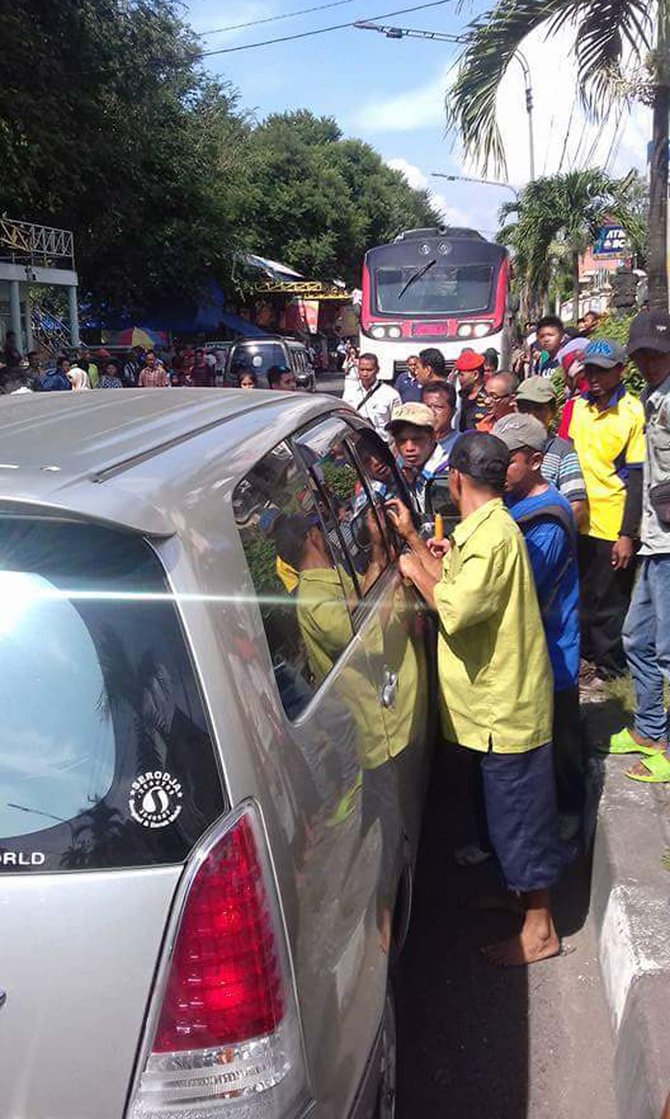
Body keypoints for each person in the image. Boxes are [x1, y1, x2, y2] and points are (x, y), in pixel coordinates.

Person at [387, 432, 564, 966]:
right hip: (490, 708)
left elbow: (456, 608)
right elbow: (457, 586)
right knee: (504, 815)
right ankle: (519, 899)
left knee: (521, 817)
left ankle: (541, 929)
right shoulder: (483, 529)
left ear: (456, 479)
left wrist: (414, 569)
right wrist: (419, 543)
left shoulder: (492, 537)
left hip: (505, 707)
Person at [493, 413, 584, 837]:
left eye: (506, 461)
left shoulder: (547, 519)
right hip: (531, 651)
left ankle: (570, 812)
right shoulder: (514, 502)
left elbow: (520, 585)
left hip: (553, 654)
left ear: (534, 460)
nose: (498, 470)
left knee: (560, 743)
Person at [606, 311, 670, 783]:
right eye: (642, 354)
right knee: (636, 638)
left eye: (657, 353)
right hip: (653, 539)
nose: (649, 362)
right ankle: (650, 728)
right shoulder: (651, 399)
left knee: (668, 650)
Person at [568, 338, 645, 680]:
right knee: (581, 599)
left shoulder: (632, 413)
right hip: (578, 519)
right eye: (589, 369)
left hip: (612, 523)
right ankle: (586, 663)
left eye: (601, 369)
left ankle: (612, 673)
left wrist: (627, 534)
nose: (594, 376)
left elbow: (638, 477)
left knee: (610, 605)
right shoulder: (578, 408)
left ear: (620, 370)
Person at [515, 376, 588, 527]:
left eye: (538, 408)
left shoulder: (562, 451)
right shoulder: (505, 446)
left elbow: (576, 505)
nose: (531, 415)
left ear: (553, 411)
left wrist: (554, 537)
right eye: (525, 408)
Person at [386, 403, 450, 514]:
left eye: (417, 439)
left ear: (433, 437)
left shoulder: (447, 475)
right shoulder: (403, 473)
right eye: (402, 441)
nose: (409, 448)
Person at [342, 353, 400, 442]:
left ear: (377, 370)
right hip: (356, 446)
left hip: (382, 446)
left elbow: (398, 425)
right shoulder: (349, 392)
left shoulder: (391, 395)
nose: (365, 373)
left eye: (369, 370)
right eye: (362, 369)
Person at [421, 380, 459, 458]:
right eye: (427, 407)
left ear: (453, 412)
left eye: (438, 407)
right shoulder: (411, 445)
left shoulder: (462, 445)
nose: (431, 412)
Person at [455, 351, 488, 431]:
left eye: (461, 374)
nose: (459, 378)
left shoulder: (487, 398)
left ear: (475, 375)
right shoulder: (460, 396)